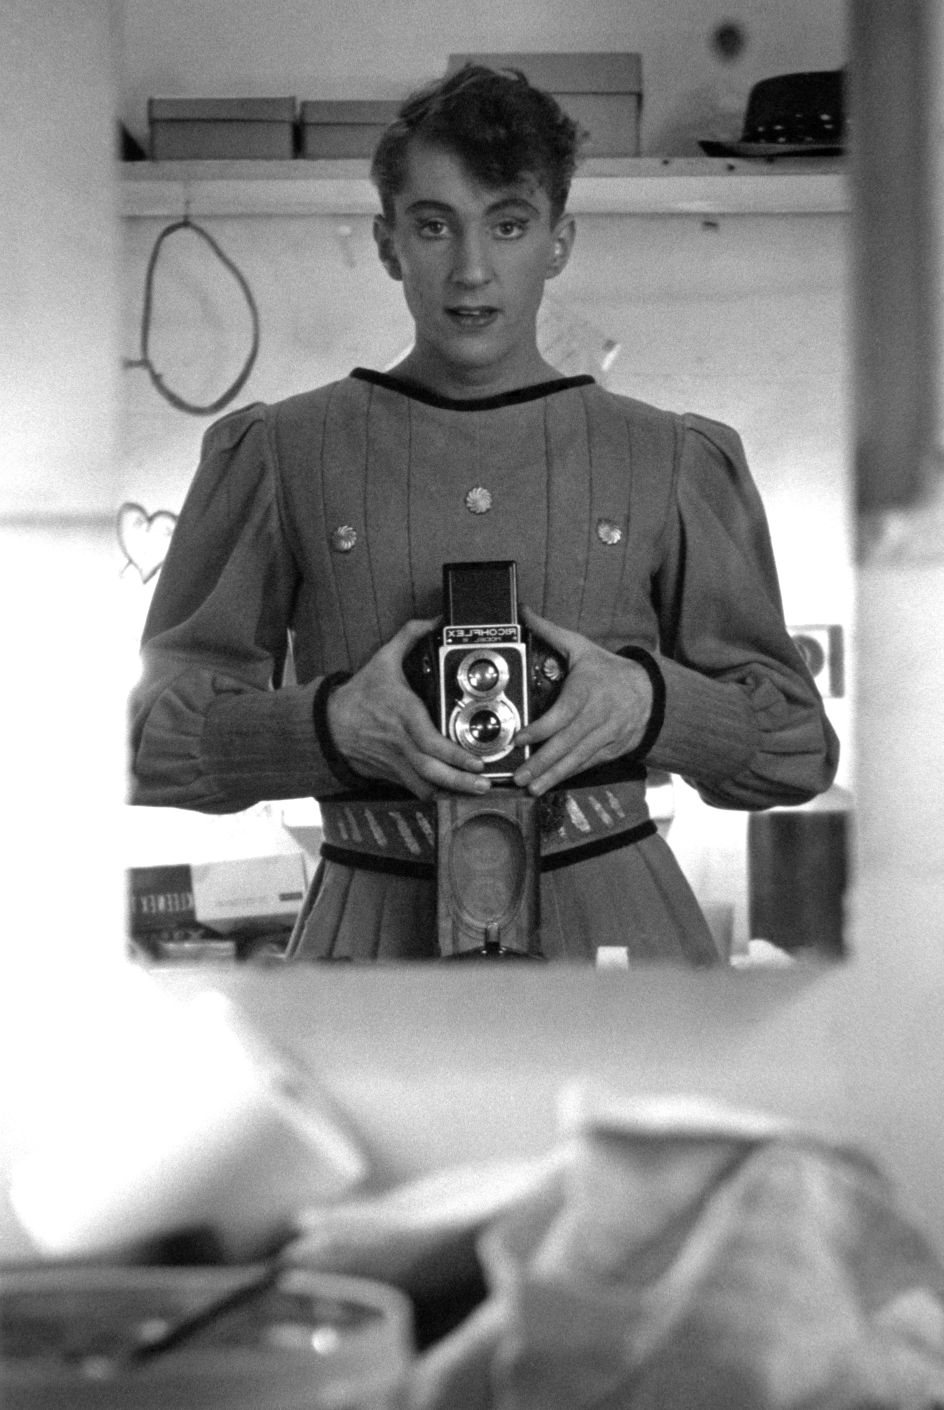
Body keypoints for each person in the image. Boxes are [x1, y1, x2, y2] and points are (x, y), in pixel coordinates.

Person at [129, 64, 839, 964]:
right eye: (435, 226)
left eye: (508, 224)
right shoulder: (279, 451)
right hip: (369, 945)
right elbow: (148, 742)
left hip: (620, 945)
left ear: (559, 241)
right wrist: (329, 725)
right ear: (389, 244)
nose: (471, 269)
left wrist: (651, 704)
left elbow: (795, 748)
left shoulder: (671, 458)